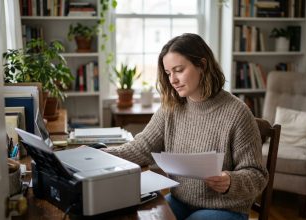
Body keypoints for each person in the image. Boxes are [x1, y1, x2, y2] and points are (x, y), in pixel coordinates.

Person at [103, 33, 268, 220]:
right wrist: (98, 155)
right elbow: (141, 148)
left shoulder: (237, 113)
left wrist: (230, 181)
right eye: (168, 73)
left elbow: (257, 175)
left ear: (202, 65)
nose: (172, 80)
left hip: (225, 209)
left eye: (179, 70)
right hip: (180, 201)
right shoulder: (171, 108)